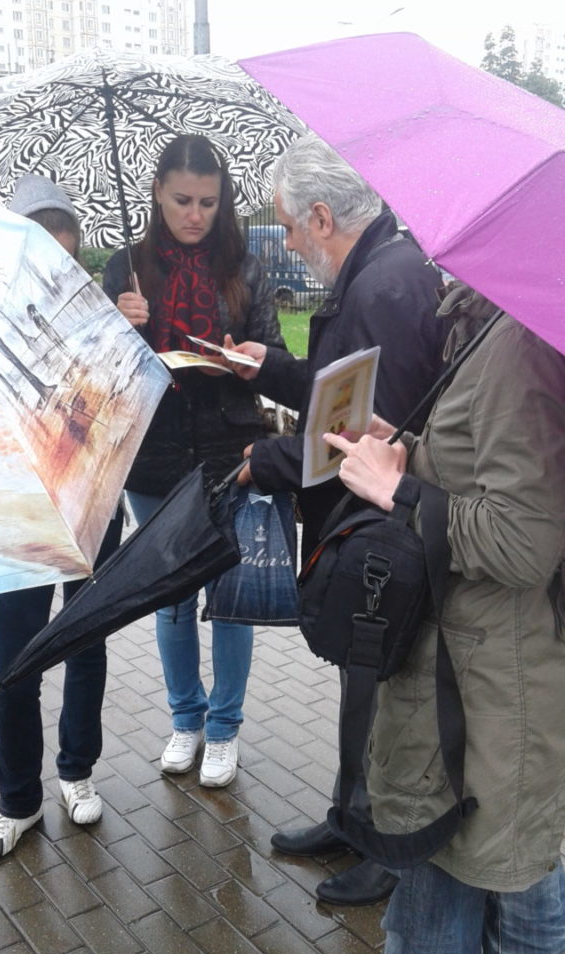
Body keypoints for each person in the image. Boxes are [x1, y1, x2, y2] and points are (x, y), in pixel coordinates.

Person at [323, 283, 565, 954]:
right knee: (498, 894)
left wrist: (399, 492)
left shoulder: (518, 344)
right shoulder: (493, 323)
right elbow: (486, 467)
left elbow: (524, 542)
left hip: (487, 692)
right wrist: (413, 455)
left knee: (469, 915)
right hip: (483, 681)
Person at [226, 134, 446, 906]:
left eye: (289, 227)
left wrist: (269, 460)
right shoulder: (376, 272)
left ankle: (384, 843)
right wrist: (269, 368)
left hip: (380, 538)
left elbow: (371, 435)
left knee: (383, 691)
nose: (287, 243)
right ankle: (350, 818)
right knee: (362, 682)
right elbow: (339, 394)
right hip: (359, 529)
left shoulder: (387, 286)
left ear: (321, 217)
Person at [103, 134, 286, 788]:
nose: (195, 214)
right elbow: (104, 375)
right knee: (172, 600)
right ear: (157, 193)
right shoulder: (127, 269)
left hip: (229, 452)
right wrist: (121, 326)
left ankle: (225, 727)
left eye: (208, 202)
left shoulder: (243, 268)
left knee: (230, 598)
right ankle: (186, 718)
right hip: (153, 456)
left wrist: (244, 361)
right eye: (182, 200)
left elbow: (273, 356)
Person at [0, 174, 124, 861]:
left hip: (90, 503)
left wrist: (130, 336)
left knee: (85, 641)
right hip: (16, 513)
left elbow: (124, 410)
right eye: (42, 253)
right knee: (15, 661)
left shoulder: (100, 320)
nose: (56, 269)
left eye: (67, 256)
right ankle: (18, 799)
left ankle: (77, 770)